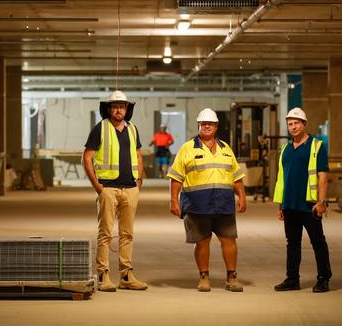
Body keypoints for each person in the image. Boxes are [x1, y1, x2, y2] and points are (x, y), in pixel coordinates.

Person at [167, 108, 247, 292]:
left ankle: (232, 277)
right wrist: (174, 201)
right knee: (202, 241)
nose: (207, 127)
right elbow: (176, 177)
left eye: (210, 124)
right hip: (198, 205)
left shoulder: (226, 149)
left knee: (229, 240)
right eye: (203, 124)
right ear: (198, 126)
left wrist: (242, 197)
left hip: (224, 203)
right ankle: (204, 277)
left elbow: (237, 176)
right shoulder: (187, 148)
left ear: (216, 126)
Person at [82, 90, 148, 292]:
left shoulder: (133, 129)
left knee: (127, 234)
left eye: (122, 106)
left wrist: (139, 181)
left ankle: (126, 276)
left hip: (130, 188)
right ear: (109, 109)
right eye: (115, 106)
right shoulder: (100, 129)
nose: (118, 110)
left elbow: (138, 155)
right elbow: (86, 158)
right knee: (105, 234)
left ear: (127, 109)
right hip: (108, 188)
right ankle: (103, 276)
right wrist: (97, 186)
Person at [273, 107, 332, 293]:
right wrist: (281, 205)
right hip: (290, 204)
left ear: (304, 124)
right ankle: (292, 279)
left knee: (318, 242)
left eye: (296, 123)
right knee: (292, 243)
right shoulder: (285, 149)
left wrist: (321, 202)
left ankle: (323, 279)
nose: (293, 127)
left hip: (309, 205)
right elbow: (282, 178)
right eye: (290, 124)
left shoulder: (317, 146)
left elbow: (323, 177)